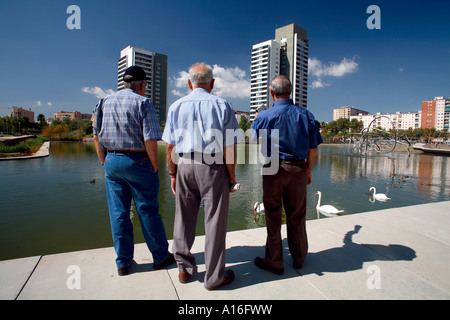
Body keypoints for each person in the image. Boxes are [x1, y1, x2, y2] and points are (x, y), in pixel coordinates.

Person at [162, 62, 242, 290]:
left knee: (183, 217)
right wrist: (232, 178)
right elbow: (229, 147)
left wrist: (173, 174)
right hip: (213, 165)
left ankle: (184, 269)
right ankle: (215, 277)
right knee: (215, 220)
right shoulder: (222, 105)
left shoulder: (176, 106)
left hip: (185, 164)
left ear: (189, 83)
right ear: (212, 83)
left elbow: (169, 147)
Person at [93, 66, 175, 276]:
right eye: (145, 85)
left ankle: (123, 262)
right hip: (138, 161)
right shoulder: (143, 102)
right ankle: (160, 257)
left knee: (118, 213)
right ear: (141, 85)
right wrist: (155, 166)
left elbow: (96, 135)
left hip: (111, 159)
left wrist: (104, 161)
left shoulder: (103, 101)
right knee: (147, 210)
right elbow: (150, 139)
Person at [251, 75, 323, 275]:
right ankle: (299, 257)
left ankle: (275, 261)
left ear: (271, 93)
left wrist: (258, 118)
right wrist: (308, 171)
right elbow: (313, 147)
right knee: (297, 215)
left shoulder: (264, 116)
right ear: (290, 91)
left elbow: (255, 138)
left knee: (273, 215)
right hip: (297, 168)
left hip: (272, 168)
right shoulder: (306, 115)